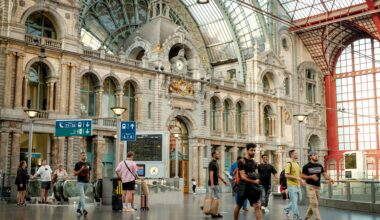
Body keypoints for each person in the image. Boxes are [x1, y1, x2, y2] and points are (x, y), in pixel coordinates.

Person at [302, 151, 334, 220]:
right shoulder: (306, 166)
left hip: (318, 187)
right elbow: (302, 176)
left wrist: (330, 179)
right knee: (315, 203)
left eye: (316, 155)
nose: (316, 156)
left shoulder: (319, 165)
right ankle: (318, 218)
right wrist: (311, 177)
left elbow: (324, 174)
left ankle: (307, 218)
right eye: (314, 155)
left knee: (314, 204)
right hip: (310, 186)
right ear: (310, 157)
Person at [234, 143, 262, 220]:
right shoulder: (241, 161)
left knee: (257, 206)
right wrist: (254, 180)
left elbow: (257, 175)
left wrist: (254, 178)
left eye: (254, 150)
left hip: (252, 188)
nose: (253, 152)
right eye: (251, 150)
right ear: (247, 150)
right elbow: (243, 177)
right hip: (243, 187)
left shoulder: (254, 163)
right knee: (239, 206)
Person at [283, 150, 305, 220]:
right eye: (296, 153)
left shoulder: (297, 164)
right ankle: (296, 216)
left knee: (298, 200)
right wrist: (297, 177)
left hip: (297, 185)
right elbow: (286, 175)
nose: (297, 154)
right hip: (291, 185)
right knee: (295, 202)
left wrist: (302, 181)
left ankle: (286, 209)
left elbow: (300, 174)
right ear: (292, 155)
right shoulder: (289, 164)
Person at [207, 151, 228, 218]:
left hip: (216, 183)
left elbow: (217, 174)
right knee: (216, 199)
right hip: (214, 184)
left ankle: (215, 212)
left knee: (215, 199)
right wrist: (212, 184)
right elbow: (211, 174)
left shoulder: (216, 163)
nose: (219, 155)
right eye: (217, 154)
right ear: (213, 155)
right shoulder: (211, 163)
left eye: (219, 154)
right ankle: (214, 213)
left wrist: (223, 180)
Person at [74, 152, 91, 217]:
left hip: (86, 182)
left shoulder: (88, 163)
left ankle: (78, 209)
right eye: (83, 155)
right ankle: (84, 209)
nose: (84, 156)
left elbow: (89, 172)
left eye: (85, 155)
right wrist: (81, 169)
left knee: (82, 196)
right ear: (81, 156)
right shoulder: (78, 164)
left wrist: (90, 180)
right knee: (82, 195)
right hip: (80, 182)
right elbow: (75, 173)